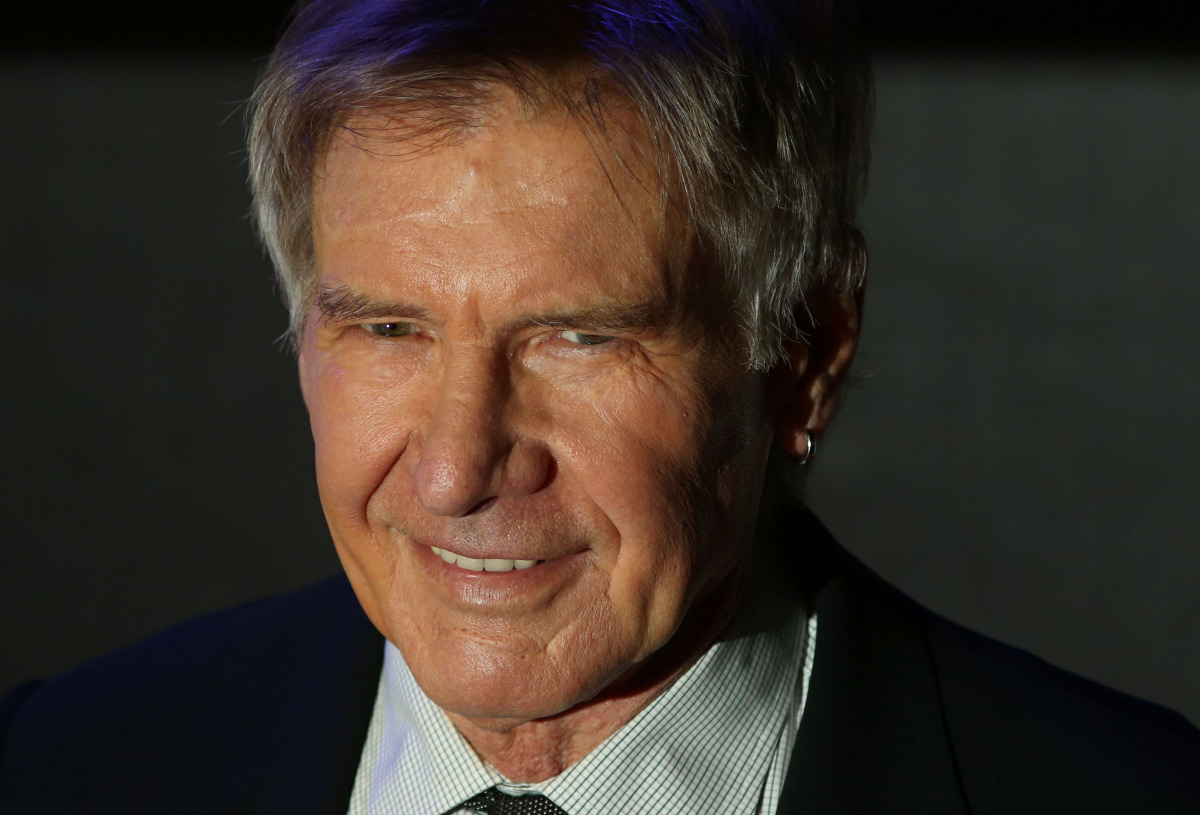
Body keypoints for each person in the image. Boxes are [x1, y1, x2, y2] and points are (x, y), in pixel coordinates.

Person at [1, 1, 1197, 812]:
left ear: (809, 351)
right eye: (387, 327)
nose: (458, 468)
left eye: (580, 335)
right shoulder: (61, 766)